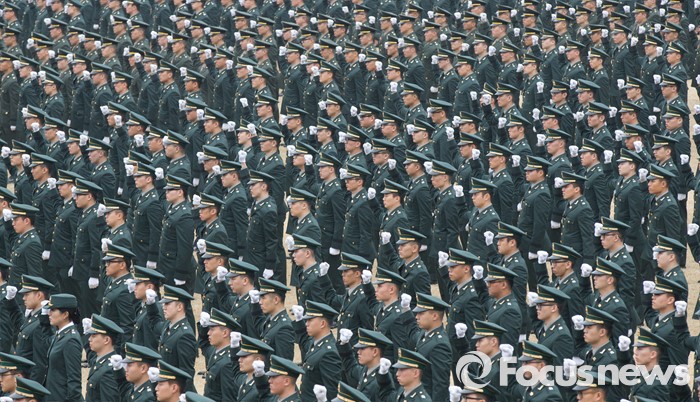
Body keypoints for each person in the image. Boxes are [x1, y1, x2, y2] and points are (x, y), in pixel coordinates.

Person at [290, 301, 341, 401]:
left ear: (322, 323)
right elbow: (305, 342)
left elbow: (332, 392)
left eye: (310, 320)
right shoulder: (317, 343)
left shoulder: (329, 353)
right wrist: (299, 320)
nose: (306, 324)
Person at [15, 275, 54, 384]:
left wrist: (33, 388)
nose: (23, 298)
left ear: (39, 295)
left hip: (29, 380)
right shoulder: (33, 317)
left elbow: (40, 363)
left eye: (27, 294)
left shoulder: (41, 323)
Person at [44, 293, 83, 402]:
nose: (49, 313)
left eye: (53, 310)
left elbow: (74, 379)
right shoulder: (60, 334)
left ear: (65, 314)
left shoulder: (70, 340)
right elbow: (45, 341)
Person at [158, 285, 196, 392]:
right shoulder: (168, 325)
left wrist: (183, 396)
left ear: (179, 307)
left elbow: (186, 372)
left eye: (167, 304)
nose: (164, 307)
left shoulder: (185, 335)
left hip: (176, 391)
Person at [83, 314, 123, 401]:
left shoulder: (109, 370)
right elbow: (90, 355)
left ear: (106, 340)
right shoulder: (99, 360)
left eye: (93, 336)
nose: (89, 339)